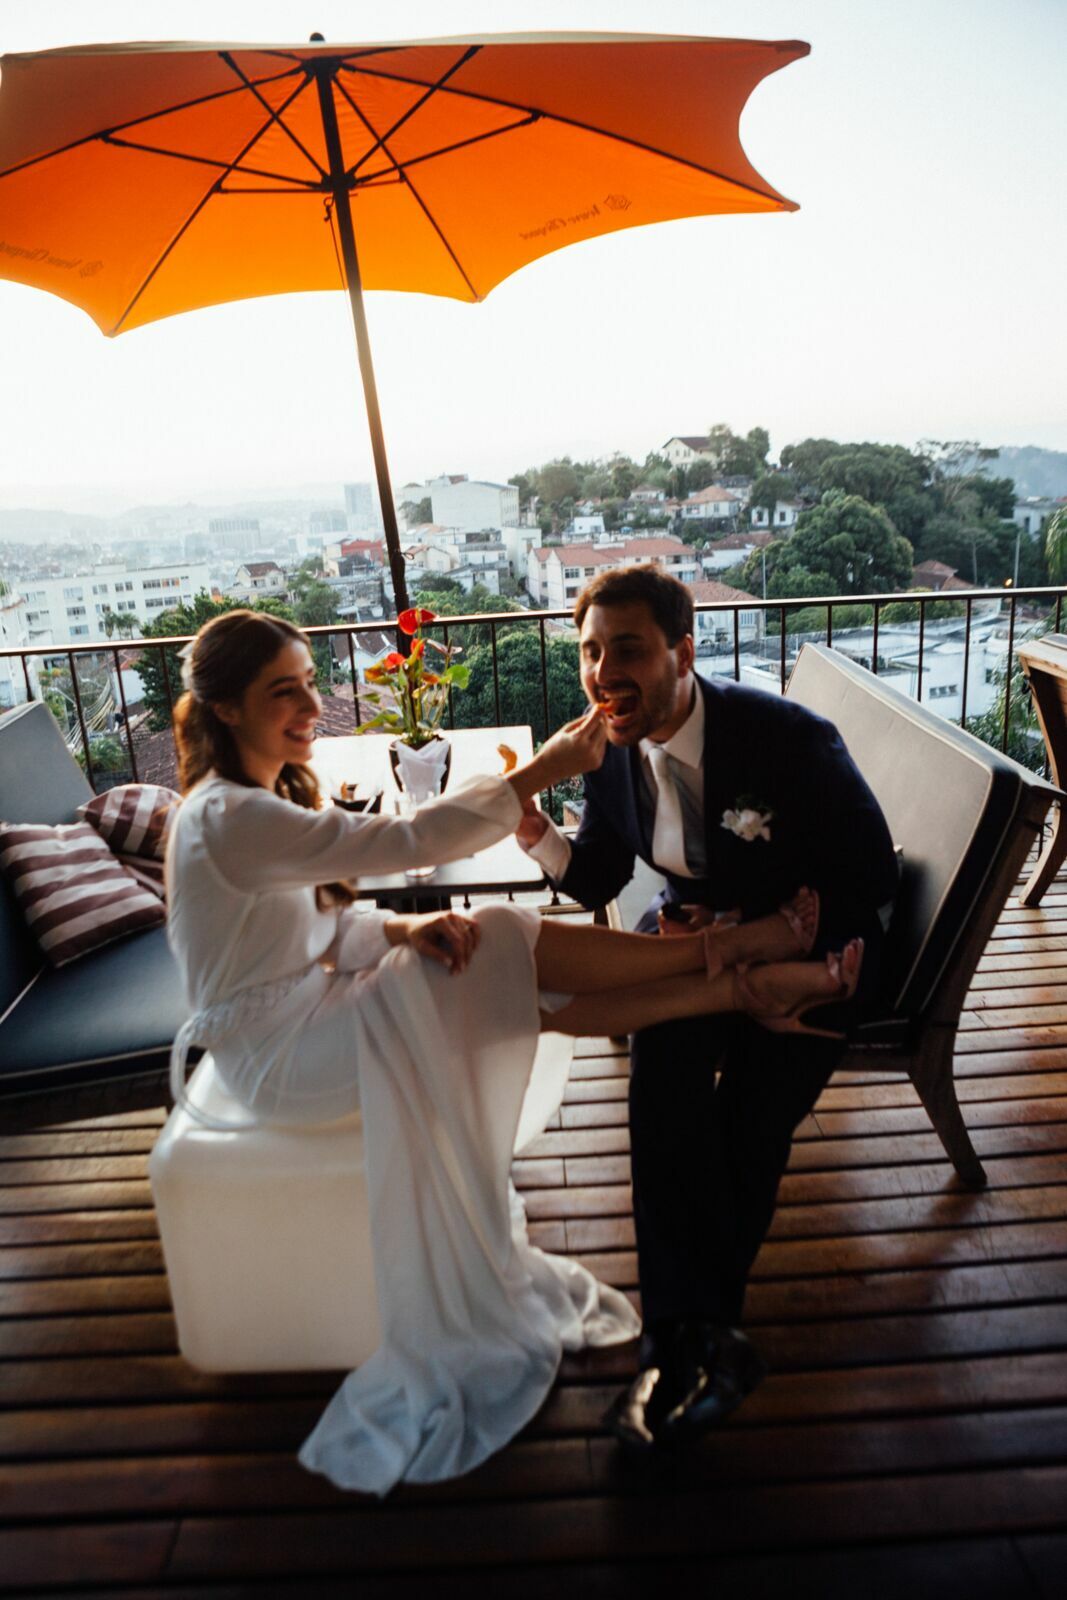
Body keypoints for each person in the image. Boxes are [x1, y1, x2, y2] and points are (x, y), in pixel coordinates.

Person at [165, 608, 862, 1495]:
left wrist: (405, 926)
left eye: (308, 681)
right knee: (495, 948)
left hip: (304, 1016)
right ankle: (724, 961)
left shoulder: (257, 803)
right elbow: (402, 843)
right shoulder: (230, 816)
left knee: (494, 957)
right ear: (226, 709)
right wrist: (547, 769)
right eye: (282, 691)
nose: (308, 704)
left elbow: (314, 929)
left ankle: (729, 978)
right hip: (275, 1059)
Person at [519, 566, 899, 1451]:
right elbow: (605, 875)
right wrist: (531, 825)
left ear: (682, 653)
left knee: (750, 1116)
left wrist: (779, 941)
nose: (603, 669)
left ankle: (685, 1342)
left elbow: (868, 880)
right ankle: (691, 1342)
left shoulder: (785, 741)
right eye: (589, 650)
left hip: (821, 950)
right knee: (661, 1088)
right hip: (696, 932)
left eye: (628, 649)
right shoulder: (610, 747)